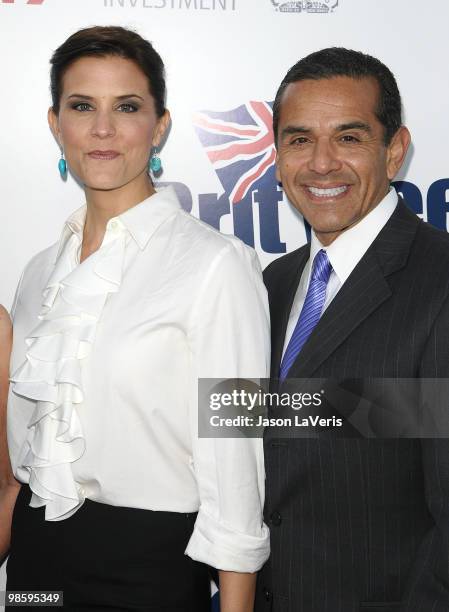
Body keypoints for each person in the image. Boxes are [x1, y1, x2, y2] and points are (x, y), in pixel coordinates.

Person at [5, 26, 270, 611]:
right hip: (34, 559)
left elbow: (234, 462)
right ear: (56, 125)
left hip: (147, 569)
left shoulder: (217, 265)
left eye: (127, 107)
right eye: (82, 107)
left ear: (160, 127)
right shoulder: (37, 273)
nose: (103, 129)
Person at [255, 48, 449, 612]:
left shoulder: (439, 280)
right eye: (298, 140)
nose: (320, 164)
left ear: (395, 150)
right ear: (276, 156)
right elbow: (253, 434)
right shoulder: (271, 284)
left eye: (348, 138)